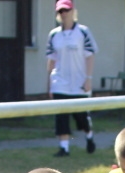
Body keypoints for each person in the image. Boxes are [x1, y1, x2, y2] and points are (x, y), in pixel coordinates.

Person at [47, 0, 98, 157]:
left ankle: (89, 137)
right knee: (61, 116)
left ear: (72, 11)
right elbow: (51, 59)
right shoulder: (54, 34)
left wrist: (88, 78)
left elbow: (89, 56)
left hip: (79, 82)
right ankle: (64, 148)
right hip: (60, 82)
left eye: (66, 11)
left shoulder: (83, 32)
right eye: (60, 11)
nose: (63, 14)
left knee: (81, 117)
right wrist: (50, 83)